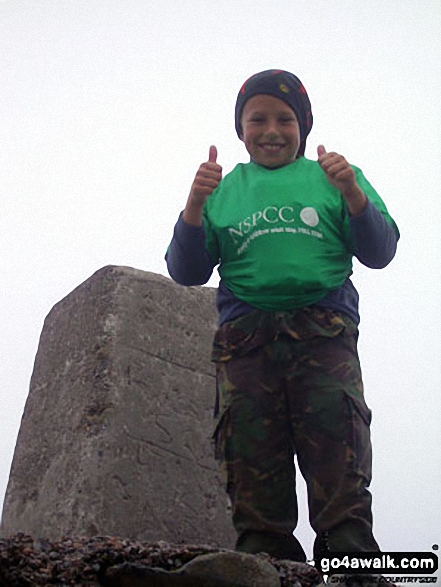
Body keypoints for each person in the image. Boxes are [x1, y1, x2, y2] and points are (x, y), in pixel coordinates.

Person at [165, 69, 399, 565]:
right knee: (250, 452)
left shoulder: (334, 176)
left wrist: (353, 193)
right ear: (240, 129)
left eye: (285, 119)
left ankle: (353, 561)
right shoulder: (222, 190)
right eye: (258, 119)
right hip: (245, 342)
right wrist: (193, 205)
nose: (271, 130)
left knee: (339, 447)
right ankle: (263, 562)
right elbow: (185, 271)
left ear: (303, 126)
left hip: (324, 335)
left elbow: (380, 251)